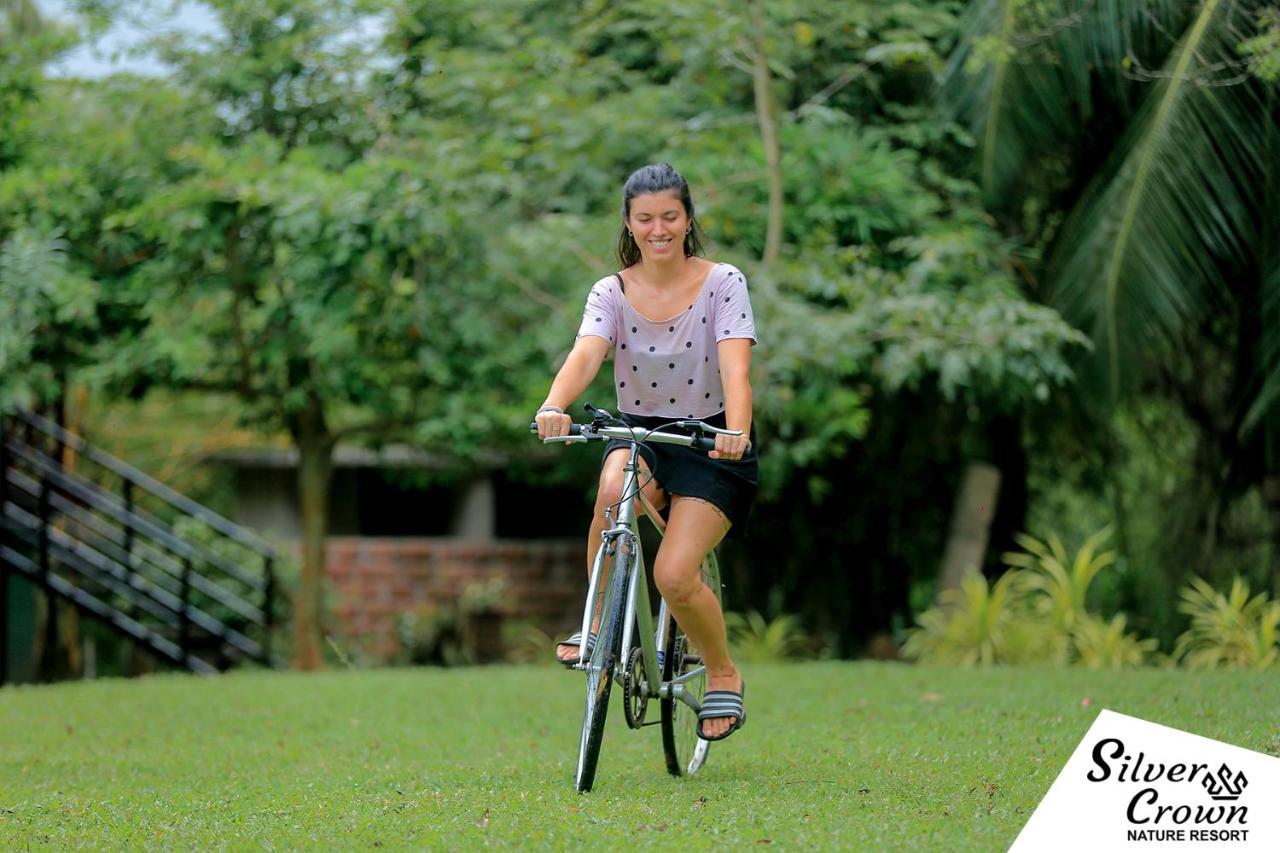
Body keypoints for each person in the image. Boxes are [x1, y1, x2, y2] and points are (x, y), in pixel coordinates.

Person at [534, 163, 758, 742]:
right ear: (629, 225)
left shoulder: (723, 282)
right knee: (612, 490)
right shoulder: (612, 290)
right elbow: (587, 353)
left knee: (675, 575)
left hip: (709, 441)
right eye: (645, 219)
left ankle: (723, 673)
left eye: (670, 217)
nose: (658, 229)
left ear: (687, 221)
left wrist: (737, 430)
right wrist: (554, 405)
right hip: (640, 434)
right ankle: (599, 626)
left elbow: (736, 366)